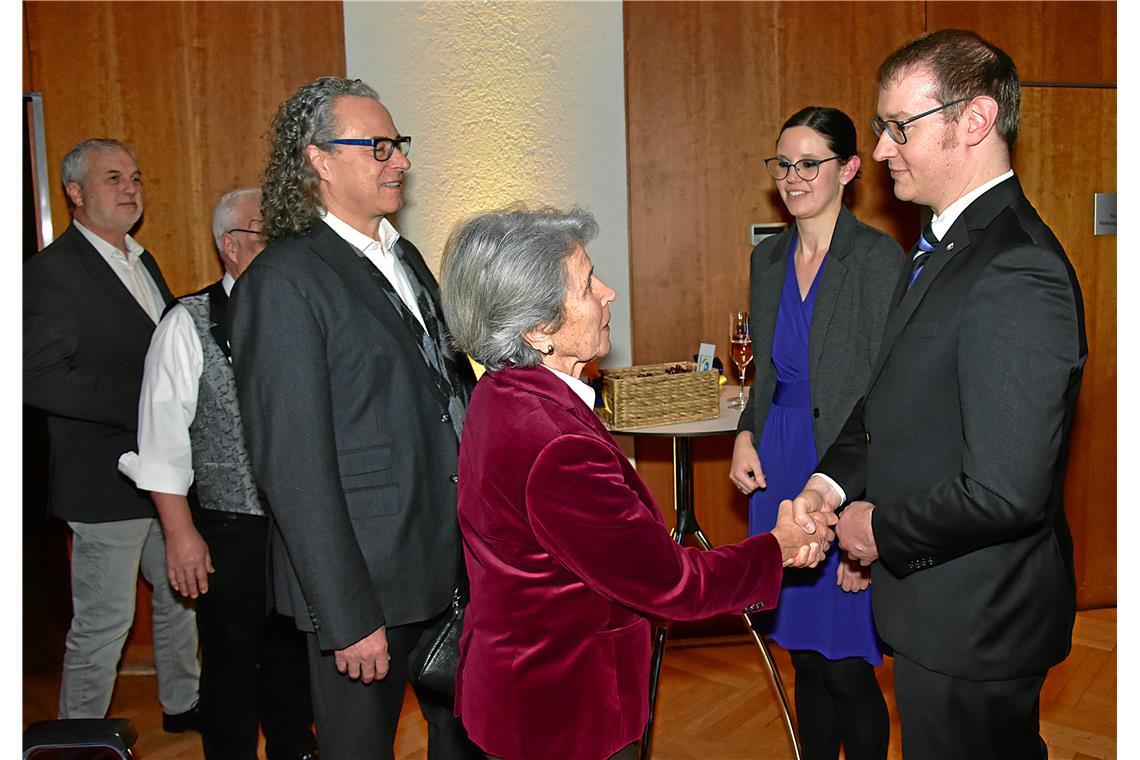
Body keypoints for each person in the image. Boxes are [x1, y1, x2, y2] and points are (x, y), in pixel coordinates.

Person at [438, 204, 837, 760]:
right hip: (564, 715)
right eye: (585, 284)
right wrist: (780, 548)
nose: (608, 292)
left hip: (519, 693)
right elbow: (673, 584)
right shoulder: (556, 444)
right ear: (537, 328)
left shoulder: (499, 394)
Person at [786, 29, 1087, 759]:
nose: (883, 149)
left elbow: (1008, 491)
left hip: (978, 621)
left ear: (975, 121)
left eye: (898, 126)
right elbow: (888, 401)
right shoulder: (945, 246)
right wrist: (831, 484)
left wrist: (877, 529)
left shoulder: (1017, 269)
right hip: (939, 612)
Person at [228, 77, 479, 760]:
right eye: (377, 146)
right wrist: (347, 616)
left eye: (398, 145)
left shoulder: (404, 259)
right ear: (317, 160)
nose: (398, 160)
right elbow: (292, 465)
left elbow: (445, 395)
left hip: (447, 565)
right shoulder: (283, 280)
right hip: (364, 585)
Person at [118, 188, 318, 759]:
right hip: (229, 527)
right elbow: (160, 442)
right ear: (231, 247)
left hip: (299, 523)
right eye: (268, 239)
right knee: (232, 662)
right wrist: (181, 536)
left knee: (295, 655)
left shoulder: (304, 315)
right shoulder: (187, 322)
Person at [728, 107, 903, 760]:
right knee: (802, 657)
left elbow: (887, 399)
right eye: (784, 163)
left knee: (847, 667)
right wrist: (747, 432)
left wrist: (866, 516)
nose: (793, 177)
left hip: (842, 473)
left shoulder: (879, 261)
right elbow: (769, 375)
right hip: (780, 464)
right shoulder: (768, 258)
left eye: (810, 163)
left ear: (850, 169)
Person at [23, 138, 200, 728]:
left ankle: (182, 704)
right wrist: (147, 406)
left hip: (162, 473)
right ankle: (78, 737)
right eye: (113, 178)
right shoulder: (51, 273)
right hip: (102, 481)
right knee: (104, 621)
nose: (130, 188)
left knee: (180, 595)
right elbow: (38, 378)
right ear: (74, 193)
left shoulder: (140, 259)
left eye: (135, 177)